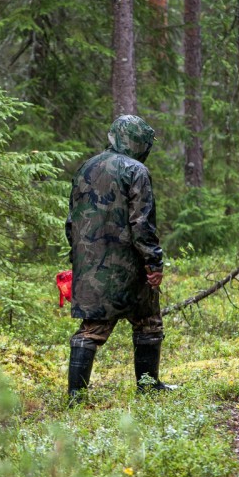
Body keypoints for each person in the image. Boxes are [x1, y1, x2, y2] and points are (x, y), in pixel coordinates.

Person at [64, 115, 176, 406]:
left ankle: (76, 397)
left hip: (90, 266)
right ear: (137, 141)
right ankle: (148, 387)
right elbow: (142, 223)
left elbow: (70, 222)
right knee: (148, 322)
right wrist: (153, 262)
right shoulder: (135, 170)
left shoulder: (85, 167)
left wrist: (80, 258)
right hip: (129, 266)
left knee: (92, 328)